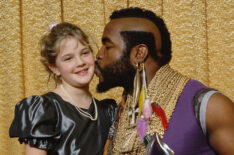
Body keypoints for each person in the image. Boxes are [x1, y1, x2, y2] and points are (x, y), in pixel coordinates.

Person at [95, 7, 234, 155]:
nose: (98, 54)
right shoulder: (124, 111)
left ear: (139, 53)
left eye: (108, 46)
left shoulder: (210, 105)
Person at [9, 22, 117, 155]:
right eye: (68, 58)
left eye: (84, 53)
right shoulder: (45, 110)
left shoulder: (108, 111)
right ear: (54, 67)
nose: (80, 62)